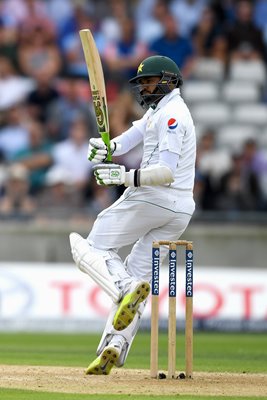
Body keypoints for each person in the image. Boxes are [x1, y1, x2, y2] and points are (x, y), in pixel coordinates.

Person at [69, 55, 196, 375]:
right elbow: (134, 135)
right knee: (137, 275)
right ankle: (116, 343)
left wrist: (124, 177)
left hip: (155, 197)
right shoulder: (159, 110)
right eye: (141, 83)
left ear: (167, 80)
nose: (144, 88)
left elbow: (166, 171)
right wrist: (105, 146)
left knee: (87, 245)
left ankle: (122, 288)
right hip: (180, 211)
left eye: (148, 81)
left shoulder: (173, 116)